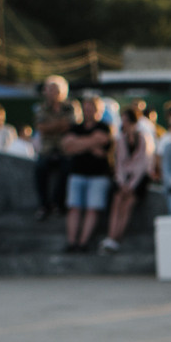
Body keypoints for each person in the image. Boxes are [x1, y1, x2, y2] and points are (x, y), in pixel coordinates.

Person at [62, 92, 116, 252]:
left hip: (98, 175)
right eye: (85, 108)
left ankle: (83, 243)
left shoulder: (104, 127)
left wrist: (78, 144)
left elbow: (103, 142)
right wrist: (91, 143)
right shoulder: (75, 127)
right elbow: (67, 146)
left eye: (91, 107)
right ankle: (72, 242)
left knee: (93, 208)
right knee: (74, 208)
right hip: (77, 173)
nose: (88, 111)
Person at [106, 110, 154, 252]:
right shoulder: (121, 139)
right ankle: (111, 236)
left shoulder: (144, 138)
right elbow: (119, 163)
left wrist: (131, 185)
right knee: (117, 201)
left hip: (139, 179)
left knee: (127, 203)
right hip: (125, 178)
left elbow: (143, 164)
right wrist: (122, 183)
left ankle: (117, 237)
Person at [33, 76, 76, 221]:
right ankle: (44, 205)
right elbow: (41, 128)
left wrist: (51, 126)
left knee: (67, 169)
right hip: (47, 149)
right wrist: (59, 125)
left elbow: (70, 125)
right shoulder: (42, 108)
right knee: (40, 168)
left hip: (65, 149)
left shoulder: (70, 106)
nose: (51, 93)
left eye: (55, 90)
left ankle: (58, 204)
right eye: (49, 90)